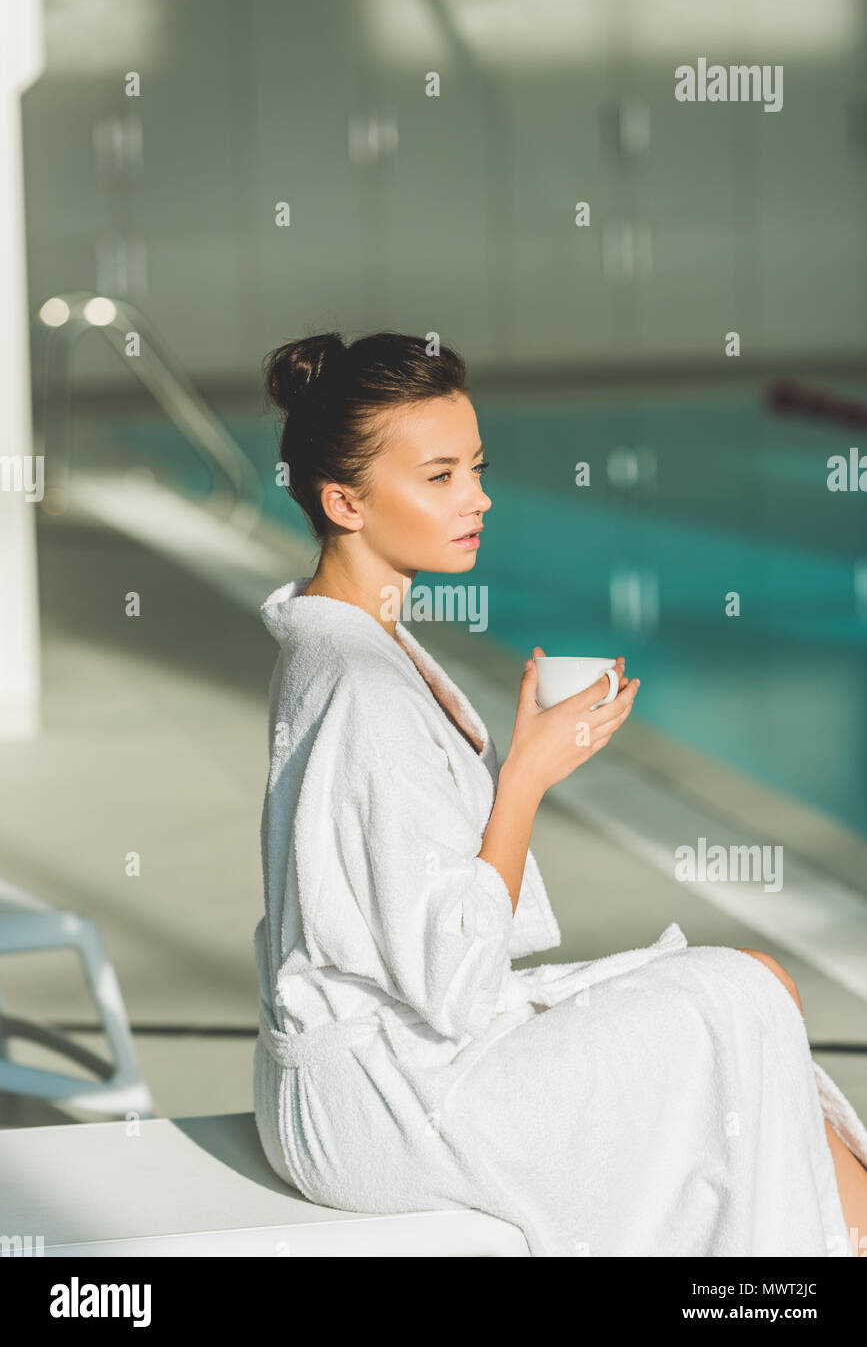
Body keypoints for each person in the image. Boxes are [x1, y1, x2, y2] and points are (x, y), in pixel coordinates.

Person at [252, 329, 867, 1257]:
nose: (479, 499)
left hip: (369, 1073)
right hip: (383, 1106)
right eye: (442, 477)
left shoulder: (342, 643)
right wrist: (527, 775)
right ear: (345, 500)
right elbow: (454, 986)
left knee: (752, 995)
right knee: (738, 1001)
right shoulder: (362, 688)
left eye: (477, 469)